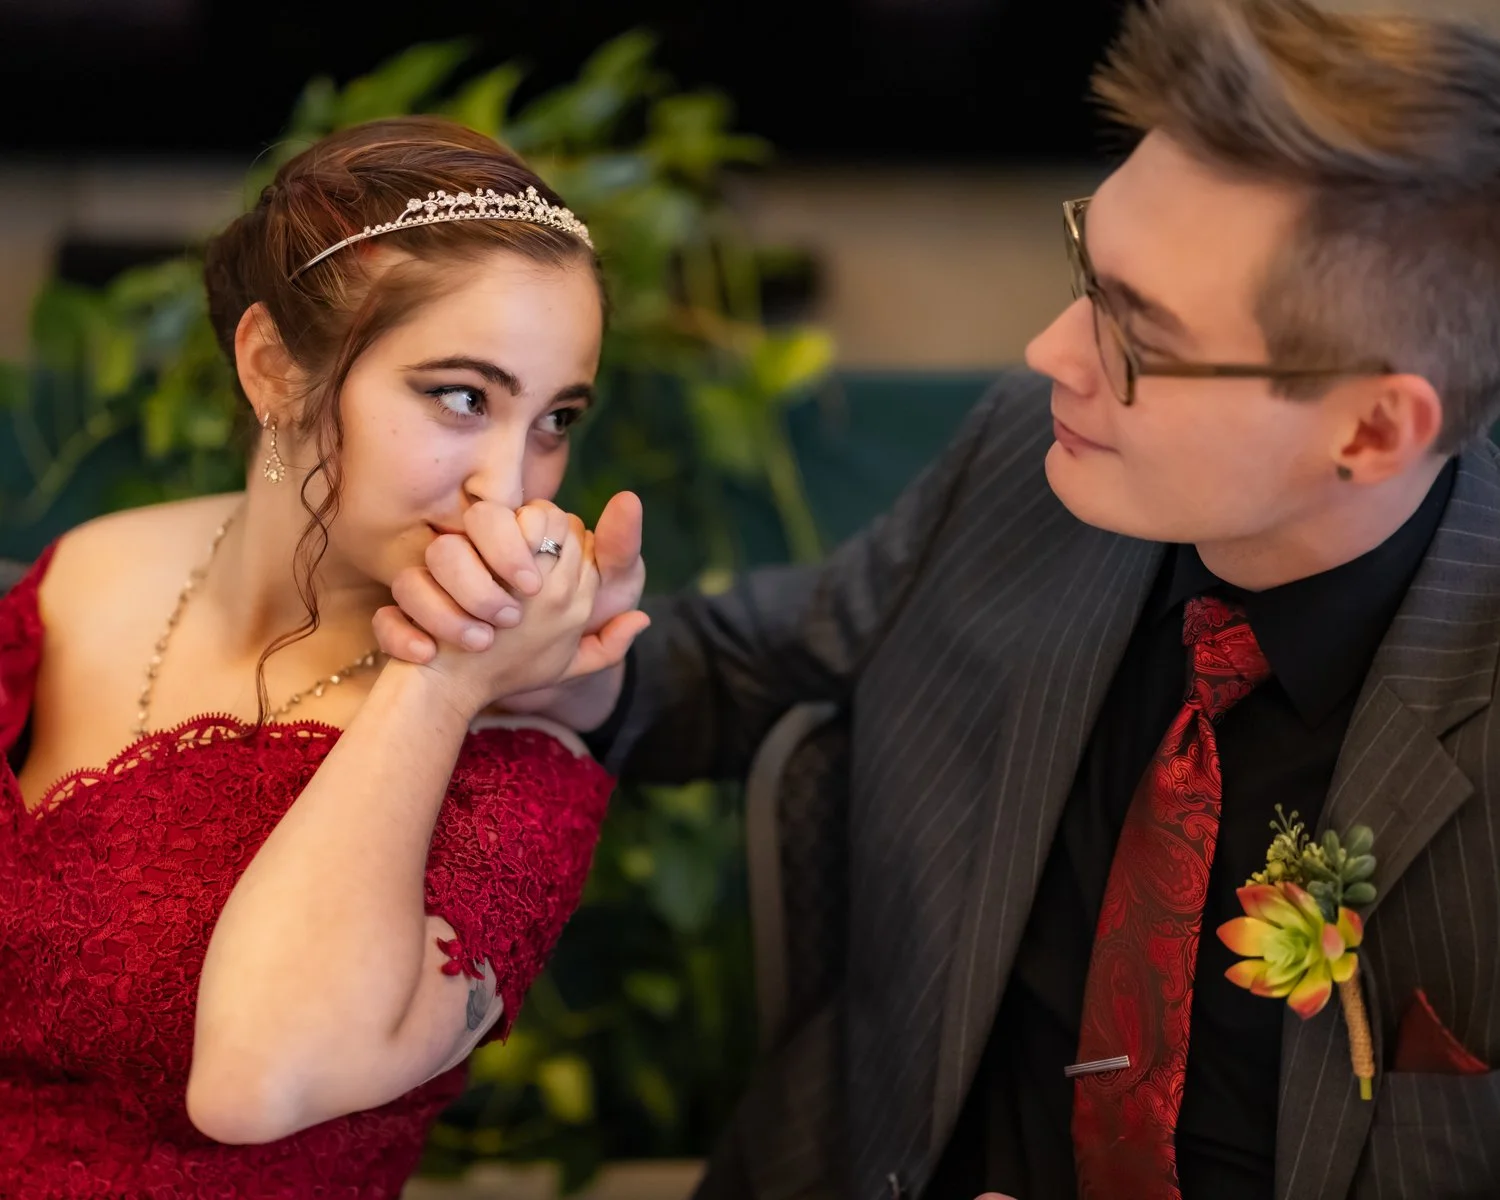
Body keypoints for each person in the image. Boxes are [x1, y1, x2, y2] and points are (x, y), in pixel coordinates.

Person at [376, 0, 1500, 1197]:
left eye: (1138, 337)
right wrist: (571, 659)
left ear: (1374, 427)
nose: (1050, 354)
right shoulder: (1038, 459)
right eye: (1088, 271)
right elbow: (756, 664)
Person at [0, 116, 650, 1198]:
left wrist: (443, 680)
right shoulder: (87, 574)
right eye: (461, 396)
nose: (513, 483)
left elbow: (257, 1083)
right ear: (273, 367)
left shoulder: (512, 743)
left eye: (554, 418)